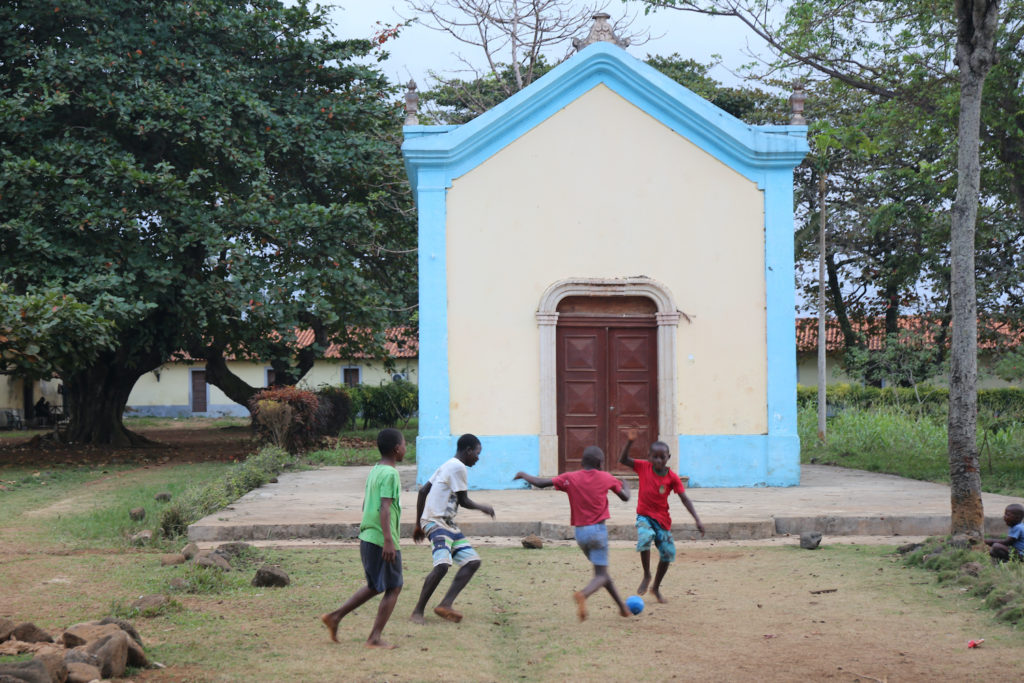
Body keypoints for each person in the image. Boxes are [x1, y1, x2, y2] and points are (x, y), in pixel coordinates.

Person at [514, 446, 631, 621]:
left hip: (580, 534)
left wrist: (524, 475)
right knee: (600, 574)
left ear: (582, 462)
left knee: (602, 573)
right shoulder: (606, 477)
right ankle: (583, 594)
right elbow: (625, 497)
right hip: (598, 531)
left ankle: (622, 608)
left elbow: (540, 483)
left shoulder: (570, 478)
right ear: (600, 463)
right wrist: (627, 486)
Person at [320, 428, 406, 648]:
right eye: (405, 444)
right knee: (393, 586)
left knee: (376, 585)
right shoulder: (390, 473)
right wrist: (388, 540)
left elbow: (367, 503)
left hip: (368, 536)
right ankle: (374, 637)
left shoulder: (376, 470)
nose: (406, 448)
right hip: (381, 539)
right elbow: (384, 508)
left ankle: (335, 617)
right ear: (397, 449)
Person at [410, 433, 496, 624]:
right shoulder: (458, 467)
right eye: (477, 453)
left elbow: (424, 490)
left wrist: (418, 523)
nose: (478, 457)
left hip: (446, 523)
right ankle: (417, 611)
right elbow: (463, 501)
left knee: (472, 562)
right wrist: (483, 507)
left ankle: (445, 604)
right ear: (468, 450)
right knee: (442, 565)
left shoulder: (448, 464)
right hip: (436, 521)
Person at [619, 428, 705, 604]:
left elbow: (684, 499)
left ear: (668, 458)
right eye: (654, 457)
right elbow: (623, 460)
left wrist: (697, 519)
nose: (658, 460)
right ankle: (646, 574)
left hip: (662, 520)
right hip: (644, 516)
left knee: (667, 554)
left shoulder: (672, 478)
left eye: (662, 457)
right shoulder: (643, 466)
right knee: (645, 537)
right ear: (649, 457)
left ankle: (656, 587)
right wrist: (629, 442)